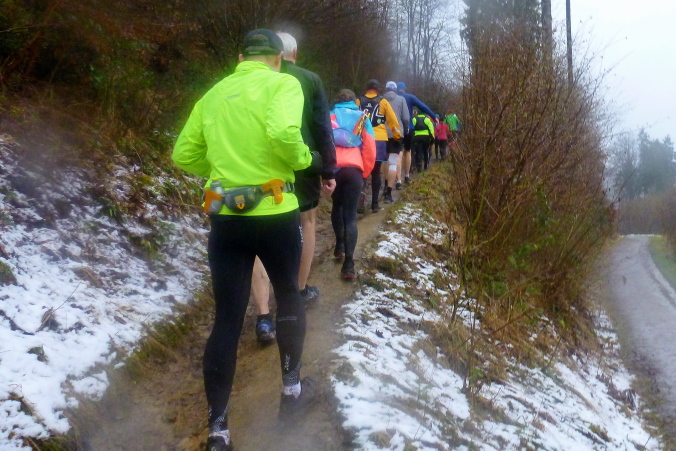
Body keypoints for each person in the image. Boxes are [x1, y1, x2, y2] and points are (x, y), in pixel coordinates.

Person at [172, 29, 317, 451]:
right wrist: (304, 160)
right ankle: (291, 394)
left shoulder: (214, 94)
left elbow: (182, 154)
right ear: (277, 58)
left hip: (227, 219)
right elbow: (284, 134)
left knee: (226, 319)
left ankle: (218, 430)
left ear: (240, 58)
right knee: (288, 295)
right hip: (275, 213)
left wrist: (223, 169)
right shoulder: (283, 84)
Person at [250, 31, 337, 344]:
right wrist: (328, 168)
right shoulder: (309, 79)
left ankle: (263, 315)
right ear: (293, 53)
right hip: (302, 161)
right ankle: (299, 290)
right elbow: (322, 126)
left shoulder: (252, 80)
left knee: (259, 233)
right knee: (307, 222)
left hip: (260, 166)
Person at [329, 89, 376, 278]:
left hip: (334, 169)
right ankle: (348, 265)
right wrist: (365, 171)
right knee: (350, 216)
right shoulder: (362, 117)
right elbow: (370, 147)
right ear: (354, 101)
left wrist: (325, 169)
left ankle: (339, 246)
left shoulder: (329, 115)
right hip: (354, 169)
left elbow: (322, 142)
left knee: (337, 206)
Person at [357, 79, 402, 209]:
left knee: (362, 170)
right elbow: (393, 121)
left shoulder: (358, 101)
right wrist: (397, 135)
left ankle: (360, 200)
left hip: (362, 138)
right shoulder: (383, 102)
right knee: (376, 172)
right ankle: (375, 204)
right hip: (379, 139)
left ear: (367, 88)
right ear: (378, 89)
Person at [396, 82, 435, 183]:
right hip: (409, 128)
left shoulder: (393, 98)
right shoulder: (410, 97)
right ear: (404, 89)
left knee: (398, 153)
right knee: (408, 151)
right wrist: (434, 116)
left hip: (396, 128)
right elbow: (423, 107)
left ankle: (398, 180)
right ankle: (407, 176)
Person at [383, 81, 409, 191]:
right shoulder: (401, 99)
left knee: (385, 160)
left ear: (386, 89)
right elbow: (406, 118)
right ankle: (393, 186)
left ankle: (385, 184)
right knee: (394, 160)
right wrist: (406, 130)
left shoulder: (381, 100)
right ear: (395, 89)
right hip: (397, 133)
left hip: (383, 133)